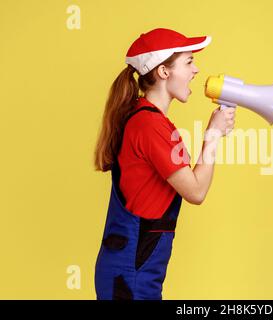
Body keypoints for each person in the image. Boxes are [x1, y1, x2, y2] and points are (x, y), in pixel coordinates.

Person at [93, 28, 235, 300]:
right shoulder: (149, 125)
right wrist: (213, 135)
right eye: (189, 62)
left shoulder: (147, 119)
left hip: (134, 270)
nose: (196, 71)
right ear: (163, 72)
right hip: (131, 274)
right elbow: (196, 192)